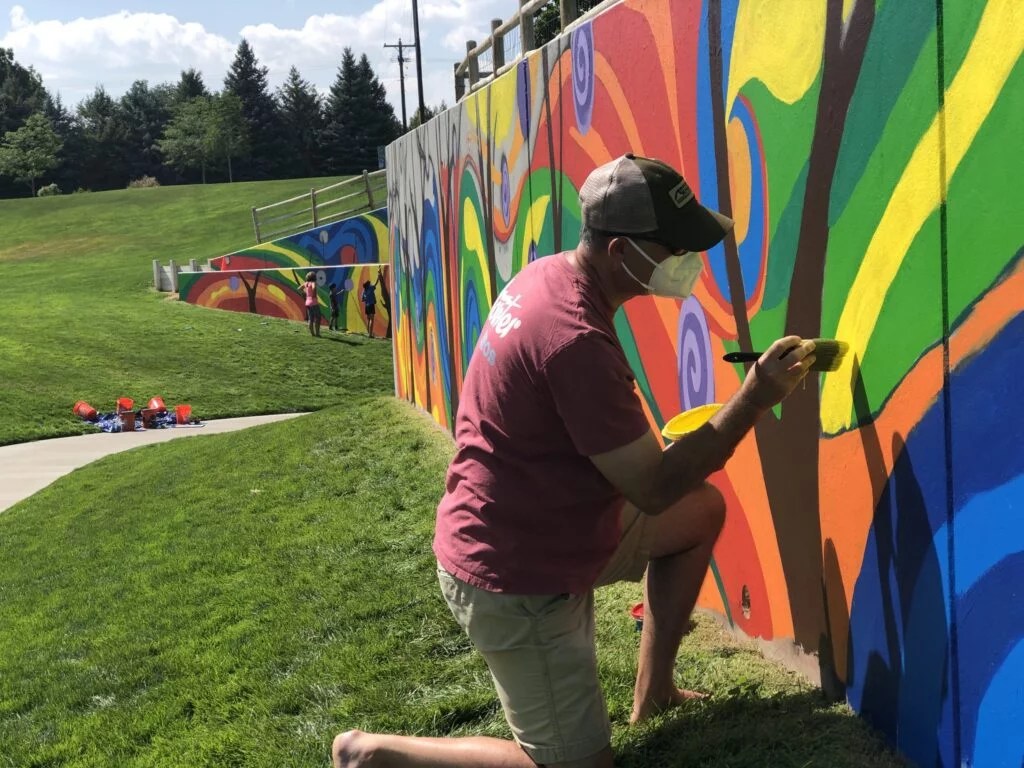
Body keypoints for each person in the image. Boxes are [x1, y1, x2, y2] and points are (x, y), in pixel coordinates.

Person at [332, 154, 816, 768]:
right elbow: (654, 486)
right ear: (621, 253)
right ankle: (371, 754)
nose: (688, 262)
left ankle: (655, 690)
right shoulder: (575, 340)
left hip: (549, 527)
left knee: (700, 512)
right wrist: (754, 399)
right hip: (517, 574)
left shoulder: (549, 276)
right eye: (674, 248)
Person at [303, 271, 321, 338]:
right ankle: (317, 333)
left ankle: (312, 334)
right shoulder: (313, 283)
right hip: (313, 302)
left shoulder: (306, 283)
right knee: (318, 318)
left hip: (307, 303)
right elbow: (314, 288)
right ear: (314, 277)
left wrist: (306, 294)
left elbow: (299, 288)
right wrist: (314, 295)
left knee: (311, 319)